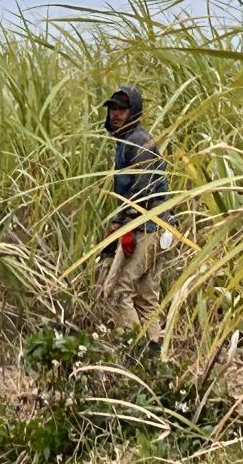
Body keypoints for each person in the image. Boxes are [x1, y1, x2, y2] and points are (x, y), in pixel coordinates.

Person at [98, 84, 172, 344]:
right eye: (112, 109)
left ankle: (135, 353)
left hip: (146, 227)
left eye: (122, 109)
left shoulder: (137, 140)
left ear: (134, 112)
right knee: (145, 298)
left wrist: (127, 226)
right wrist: (118, 223)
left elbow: (143, 187)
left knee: (117, 293)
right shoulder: (127, 140)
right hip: (158, 226)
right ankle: (156, 358)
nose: (115, 114)